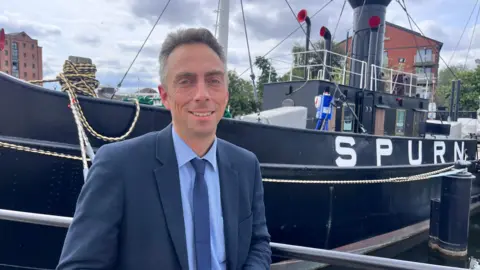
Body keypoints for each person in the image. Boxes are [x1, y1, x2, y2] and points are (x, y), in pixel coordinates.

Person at [56, 27, 272, 270]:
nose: (202, 95)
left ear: (226, 94)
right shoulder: (118, 166)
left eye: (213, 80)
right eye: (186, 81)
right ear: (165, 95)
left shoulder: (245, 165)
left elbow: (258, 242)